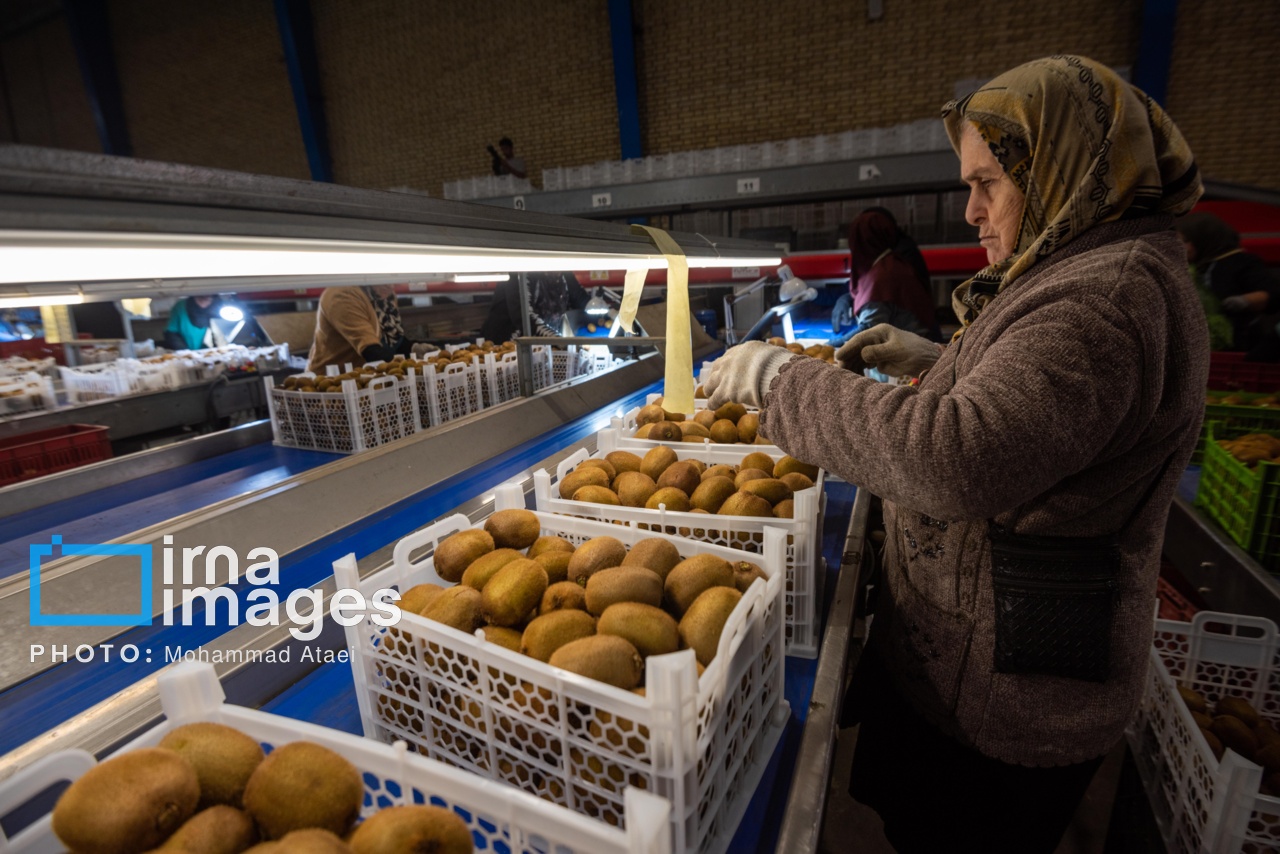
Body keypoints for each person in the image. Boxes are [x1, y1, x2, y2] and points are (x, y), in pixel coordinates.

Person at [704, 55, 1205, 852]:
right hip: (985, 662)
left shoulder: (1100, 301)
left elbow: (960, 461)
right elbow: (1046, 426)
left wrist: (780, 381)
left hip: (1012, 694)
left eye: (989, 183)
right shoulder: (1085, 266)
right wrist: (940, 364)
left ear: (1061, 170)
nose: (970, 210)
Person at [830, 209, 939, 351]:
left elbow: (869, 331)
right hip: (916, 348)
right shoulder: (892, 263)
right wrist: (847, 298)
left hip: (909, 357)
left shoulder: (884, 274)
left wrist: (832, 345)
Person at [1176, 211, 1280, 354]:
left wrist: (1244, 301)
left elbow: (1273, 295)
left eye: (1184, 242)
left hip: (1238, 346)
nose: (1181, 248)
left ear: (1202, 240)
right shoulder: (1194, 267)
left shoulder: (1241, 262)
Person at [308, 285, 434, 372]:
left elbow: (390, 339)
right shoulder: (342, 294)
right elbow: (371, 351)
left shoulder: (383, 295)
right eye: (384, 278)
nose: (390, 286)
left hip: (366, 379)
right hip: (332, 384)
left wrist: (412, 349)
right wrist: (416, 367)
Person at [479, 272, 590, 343]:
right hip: (505, 349)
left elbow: (579, 297)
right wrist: (560, 342)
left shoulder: (562, 271)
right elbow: (526, 318)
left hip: (540, 348)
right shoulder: (521, 272)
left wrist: (597, 307)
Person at [163, 295, 227, 351]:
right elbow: (171, 333)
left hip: (215, 353)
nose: (206, 300)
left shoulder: (221, 306)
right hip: (187, 353)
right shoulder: (181, 306)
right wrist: (186, 352)